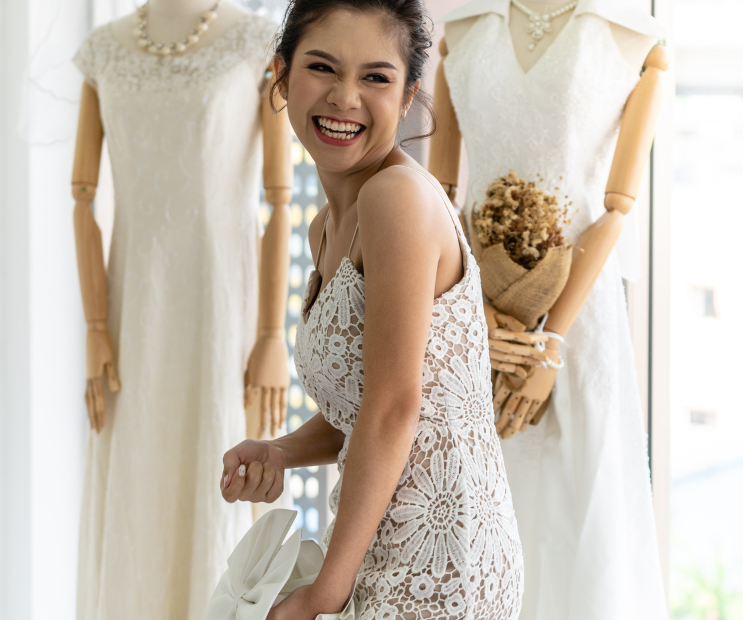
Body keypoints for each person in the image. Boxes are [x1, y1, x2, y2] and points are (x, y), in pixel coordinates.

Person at [218, 1, 523, 618]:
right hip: (377, 535)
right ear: (282, 74)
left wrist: (326, 592)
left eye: (376, 78)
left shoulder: (397, 200)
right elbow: (364, 407)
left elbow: (393, 408)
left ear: (409, 95)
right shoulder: (325, 230)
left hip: (440, 553)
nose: (344, 97)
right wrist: (280, 450)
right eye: (323, 67)